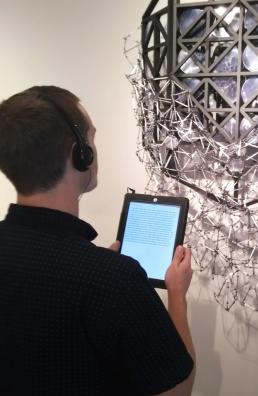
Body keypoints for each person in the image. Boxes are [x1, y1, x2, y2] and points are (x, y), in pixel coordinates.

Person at [0, 86, 195, 395]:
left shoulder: (106, 279)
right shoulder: (116, 280)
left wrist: (93, 272)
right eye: (90, 137)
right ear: (79, 154)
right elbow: (178, 389)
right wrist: (177, 295)